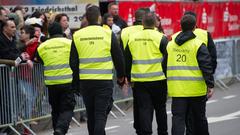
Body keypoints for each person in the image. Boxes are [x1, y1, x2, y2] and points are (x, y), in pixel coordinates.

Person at [70, 6, 125, 135]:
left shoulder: (77, 35)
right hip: (103, 81)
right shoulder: (107, 33)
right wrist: (121, 76)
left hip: (86, 82)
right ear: (100, 18)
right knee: (100, 114)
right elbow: (118, 56)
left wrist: (76, 82)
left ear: (87, 19)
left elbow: (73, 62)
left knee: (91, 114)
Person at [166, 14, 214, 135]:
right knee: (199, 119)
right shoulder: (198, 44)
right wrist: (210, 85)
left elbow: (163, 65)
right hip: (196, 90)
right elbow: (206, 66)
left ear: (180, 26)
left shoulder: (171, 44)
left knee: (178, 119)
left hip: (177, 90)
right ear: (194, 27)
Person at [125, 12, 168, 135]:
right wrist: (166, 74)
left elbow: (127, 60)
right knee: (160, 108)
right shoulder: (161, 37)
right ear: (155, 23)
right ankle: (163, 132)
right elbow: (168, 58)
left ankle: (146, 133)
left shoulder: (132, 38)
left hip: (139, 81)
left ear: (142, 23)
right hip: (159, 79)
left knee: (144, 108)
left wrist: (128, 78)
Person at [36, 22, 76, 135]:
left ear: (49, 33)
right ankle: (60, 129)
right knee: (67, 108)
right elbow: (75, 59)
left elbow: (39, 60)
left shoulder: (42, 46)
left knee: (56, 109)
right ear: (61, 31)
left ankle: (57, 130)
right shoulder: (69, 43)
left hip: (51, 83)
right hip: (67, 81)